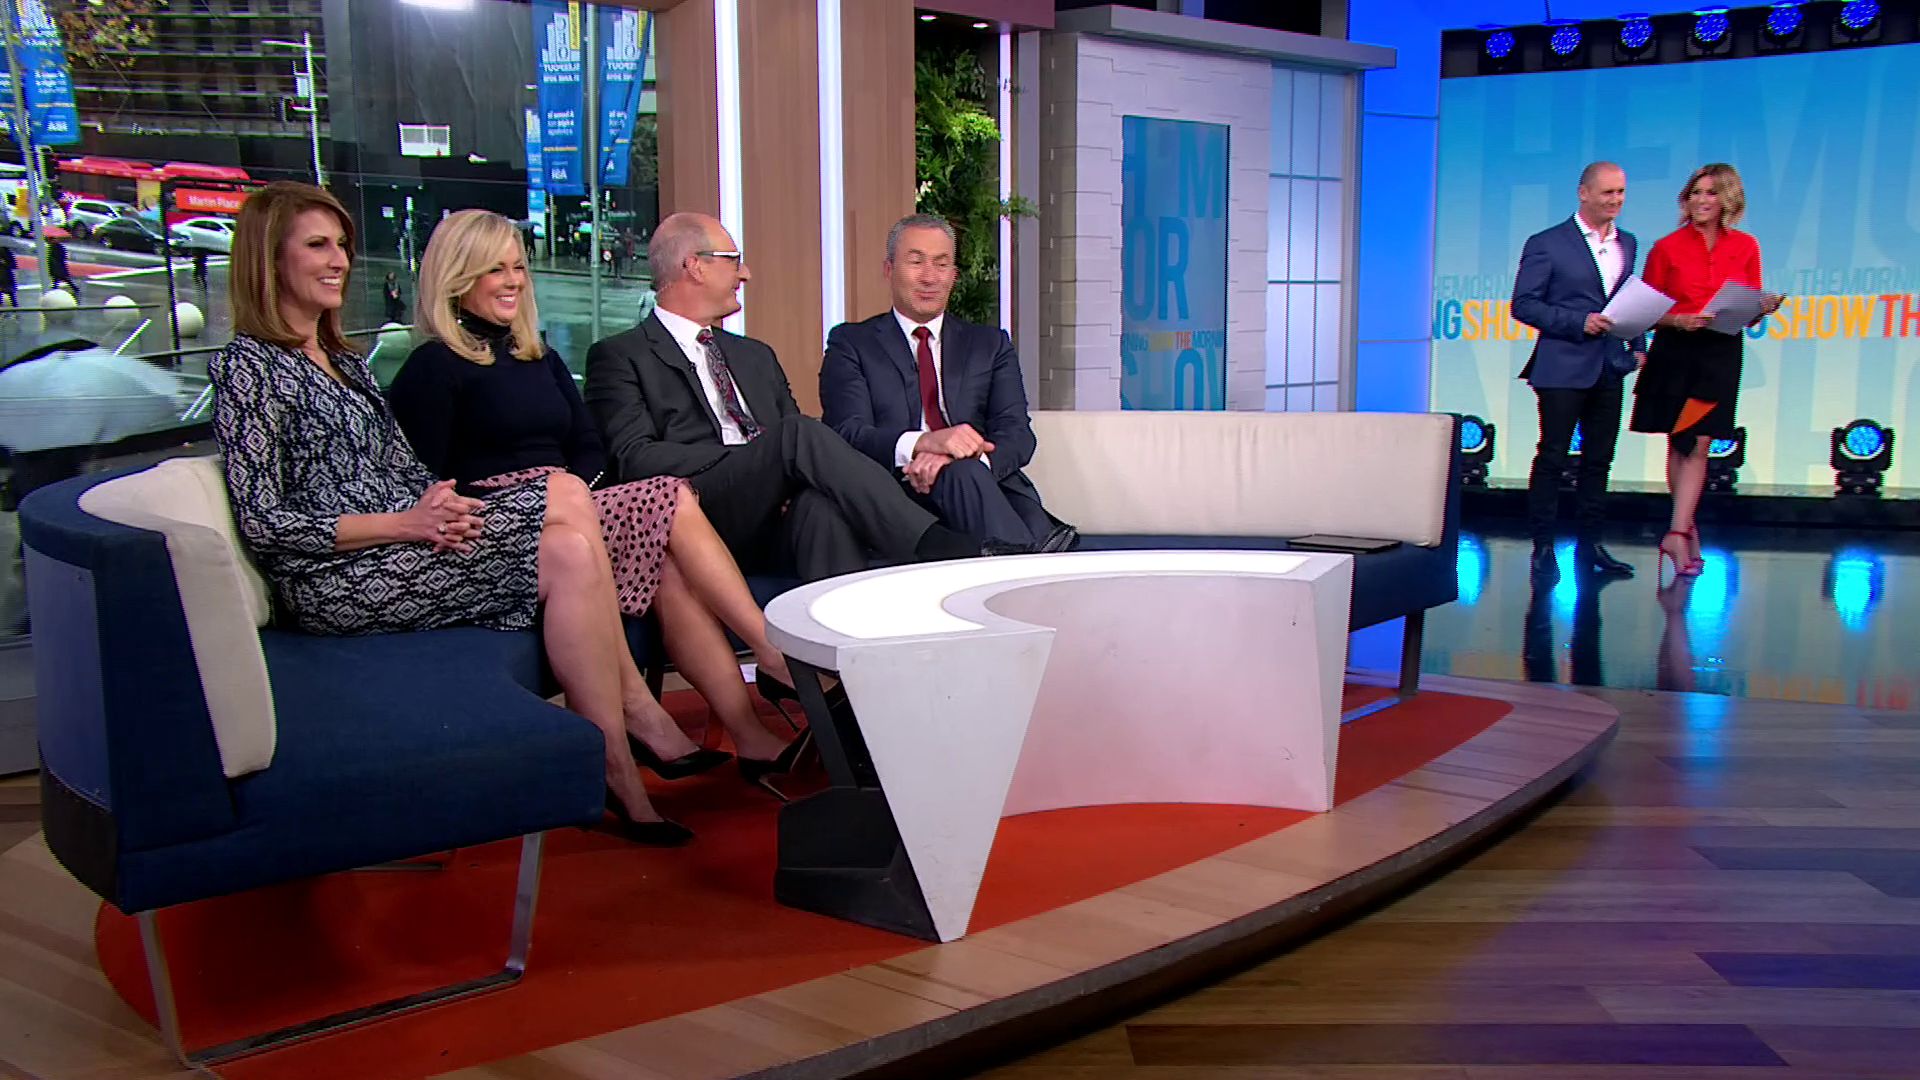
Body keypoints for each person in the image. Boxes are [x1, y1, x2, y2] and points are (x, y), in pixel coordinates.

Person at [208, 181, 692, 847]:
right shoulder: (248, 368)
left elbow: (400, 469)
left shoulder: (343, 362)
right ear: (270, 260)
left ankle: (611, 762)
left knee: (572, 548)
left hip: (400, 542)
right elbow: (265, 521)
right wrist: (404, 524)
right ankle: (629, 720)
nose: (339, 260)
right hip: (334, 579)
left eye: (342, 245)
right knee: (562, 501)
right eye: (318, 245)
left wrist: (437, 505)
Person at [388, 209, 808, 793]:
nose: (513, 282)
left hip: (574, 505)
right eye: (494, 270)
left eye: (518, 268)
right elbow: (423, 481)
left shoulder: (537, 356)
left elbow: (588, 446)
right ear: (457, 278)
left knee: (664, 558)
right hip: (495, 523)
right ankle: (766, 652)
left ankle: (748, 732)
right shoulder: (431, 368)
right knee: (668, 494)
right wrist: (547, 496)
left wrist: (576, 497)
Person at [584, 211, 996, 583]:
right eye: (733, 260)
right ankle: (934, 544)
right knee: (796, 434)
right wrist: (754, 460)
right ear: (695, 266)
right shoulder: (621, 356)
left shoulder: (755, 355)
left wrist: (773, 469)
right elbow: (635, 459)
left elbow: (801, 456)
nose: (745, 273)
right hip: (698, 512)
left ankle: (839, 642)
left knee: (821, 507)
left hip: (774, 517)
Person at [820, 214, 1076, 553]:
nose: (929, 277)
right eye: (916, 262)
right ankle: (1031, 562)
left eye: (941, 265)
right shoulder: (852, 343)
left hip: (981, 488)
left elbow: (1017, 435)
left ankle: (1021, 559)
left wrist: (962, 461)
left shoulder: (989, 344)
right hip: (895, 494)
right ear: (889, 269)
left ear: (954, 275)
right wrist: (924, 443)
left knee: (963, 474)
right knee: (964, 477)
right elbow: (846, 433)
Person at [1630, 163, 1783, 584]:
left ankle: (1677, 532)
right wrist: (1680, 321)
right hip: (1676, 351)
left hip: (1719, 352)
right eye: (1695, 192)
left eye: (1711, 193)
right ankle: (1683, 530)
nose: (1700, 200)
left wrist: (1762, 307)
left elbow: (1747, 307)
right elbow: (1647, 312)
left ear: (1727, 199)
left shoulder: (1746, 246)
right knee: (1680, 442)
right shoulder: (1666, 248)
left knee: (1700, 442)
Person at [1511, 161, 1643, 584]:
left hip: (1609, 365)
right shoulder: (1547, 243)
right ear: (1583, 193)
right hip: (1561, 366)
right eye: (1608, 193)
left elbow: (1629, 298)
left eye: (1621, 192)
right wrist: (1578, 322)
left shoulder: (1628, 243)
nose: (1616, 200)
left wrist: (1638, 347)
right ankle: (1543, 547)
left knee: (1599, 460)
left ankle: (1591, 545)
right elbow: (1524, 305)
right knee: (1553, 457)